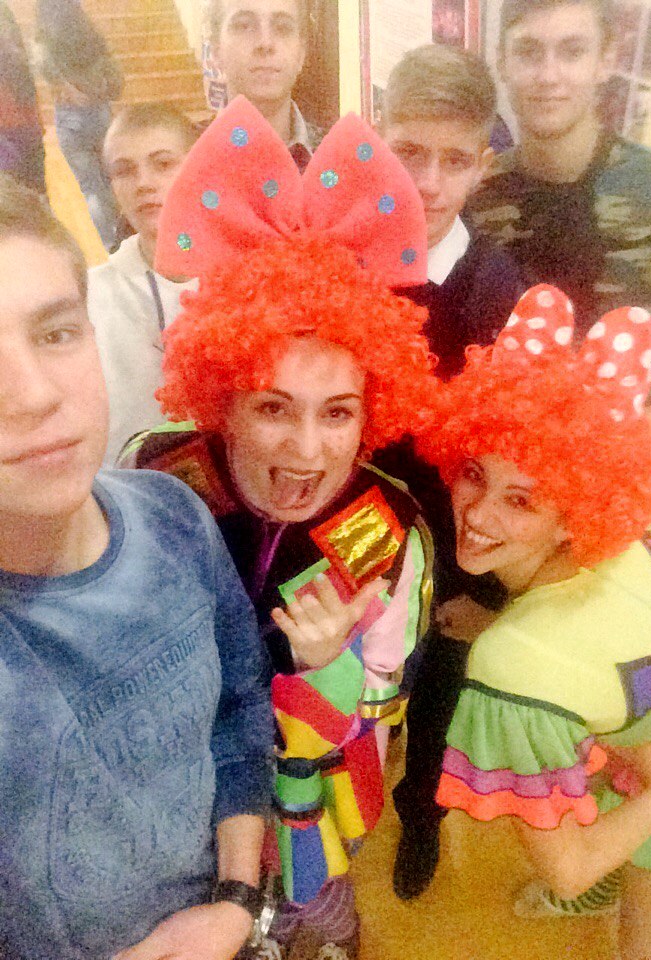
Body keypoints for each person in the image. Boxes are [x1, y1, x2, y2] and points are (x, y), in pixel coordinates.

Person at [120, 97, 435, 960]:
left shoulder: (390, 529)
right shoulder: (157, 478)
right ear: (221, 399)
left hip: (313, 801)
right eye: (272, 407)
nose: (306, 451)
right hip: (180, 800)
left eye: (337, 412)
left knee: (315, 913)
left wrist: (327, 671)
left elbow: (384, 709)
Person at [0, 173, 275, 960]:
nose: (32, 395)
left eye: (56, 333)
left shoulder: (174, 515)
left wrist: (236, 902)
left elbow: (238, 708)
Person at [418, 283, 651, 960]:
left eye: (522, 501)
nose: (479, 515)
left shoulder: (510, 672)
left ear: (569, 513)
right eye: (474, 474)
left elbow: (568, 868)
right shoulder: (598, 483)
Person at [467, 0, 651, 574]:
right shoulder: (481, 193)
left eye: (572, 51)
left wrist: (609, 419)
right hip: (498, 490)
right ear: (504, 62)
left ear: (606, 60)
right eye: (529, 52)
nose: (549, 74)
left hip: (606, 482)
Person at [377, 43, 522, 900]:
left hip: (451, 552)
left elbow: (512, 453)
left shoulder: (497, 290)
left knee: (435, 694)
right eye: (408, 152)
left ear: (482, 165)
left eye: (454, 160)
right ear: (378, 139)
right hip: (348, 533)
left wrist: (489, 587)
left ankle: (421, 815)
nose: (427, 183)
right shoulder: (343, 259)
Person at [88, 103, 199, 464]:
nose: (143, 183)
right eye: (124, 171)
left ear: (199, 169)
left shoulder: (245, 284)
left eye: (163, 164)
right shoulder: (90, 296)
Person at [35, 0, 123, 250]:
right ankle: (127, 232)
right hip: (99, 112)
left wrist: (67, 87)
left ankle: (110, 244)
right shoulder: (91, 37)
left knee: (90, 188)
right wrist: (99, 90)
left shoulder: (45, 43)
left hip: (70, 119)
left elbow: (44, 72)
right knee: (112, 178)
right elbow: (114, 76)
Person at [208, 0, 322, 169]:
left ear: (301, 54)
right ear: (216, 52)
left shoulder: (338, 161)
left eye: (282, 28)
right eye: (244, 26)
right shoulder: (180, 162)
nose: (265, 43)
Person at [0, 0, 45, 193]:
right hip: (27, 131)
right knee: (36, 195)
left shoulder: (14, 58)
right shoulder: (18, 56)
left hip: (13, 134)